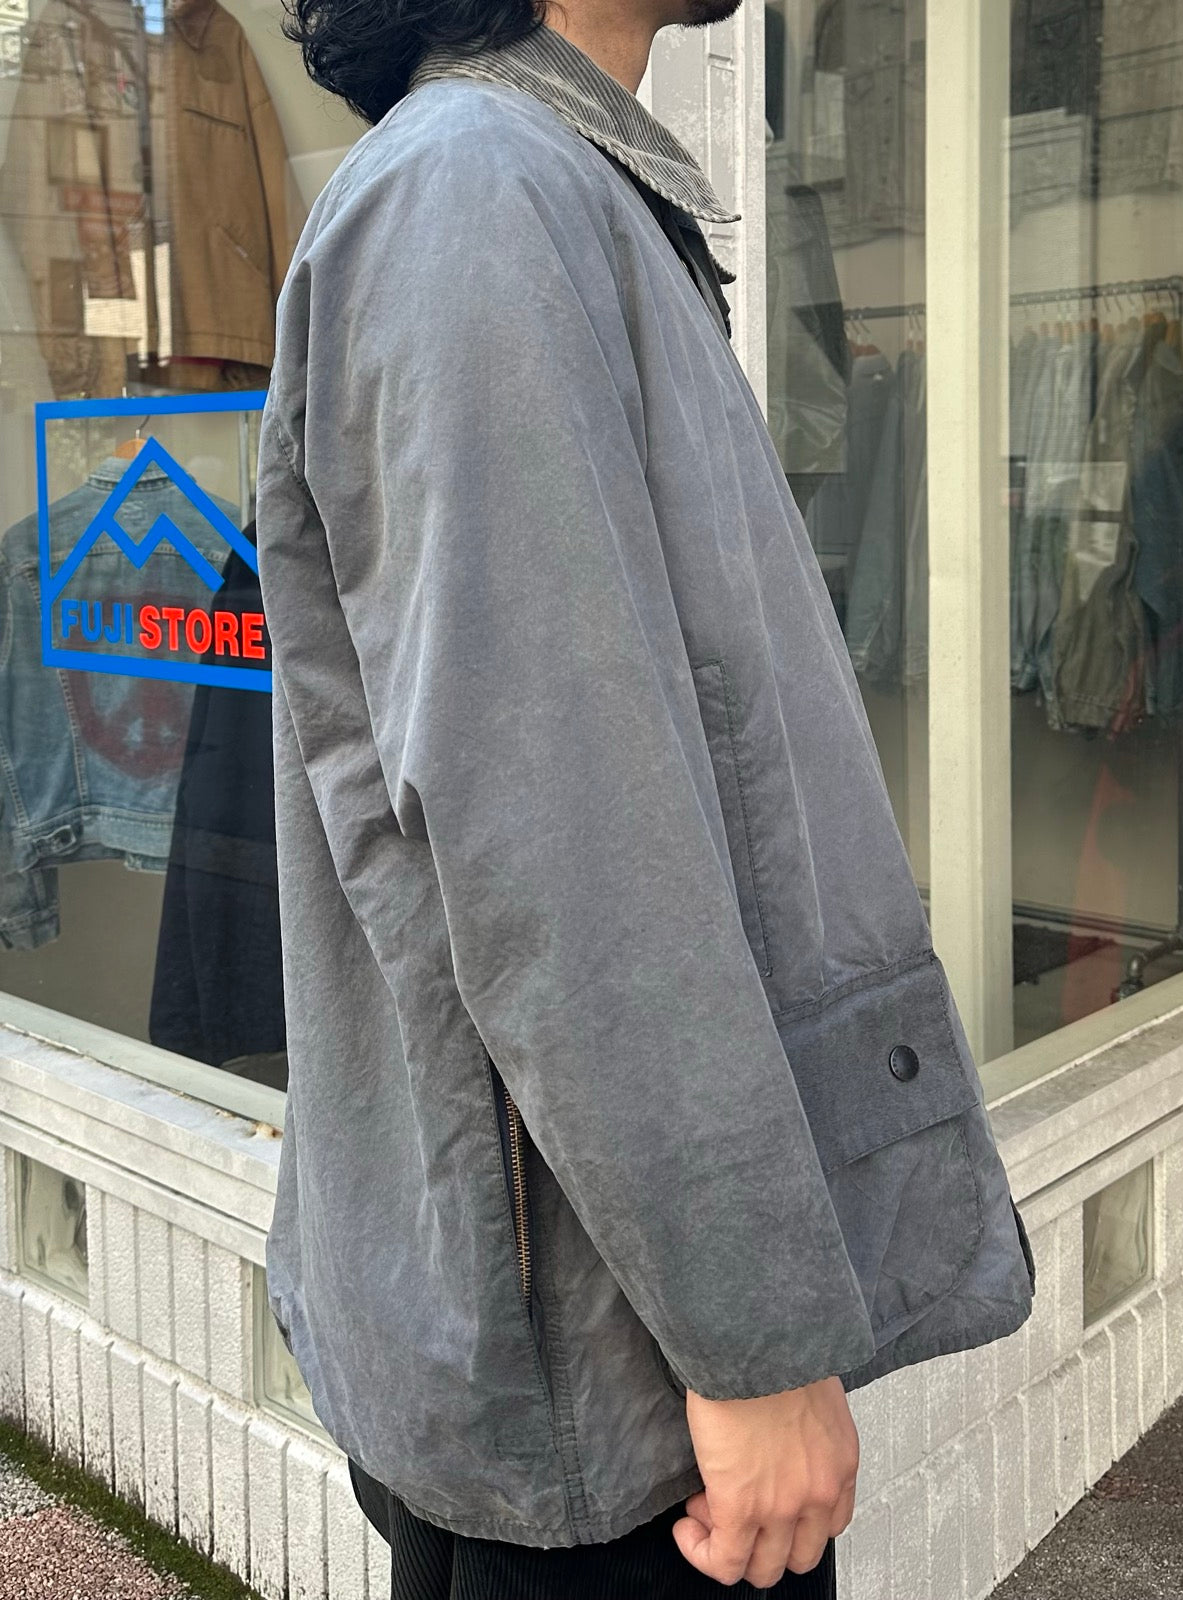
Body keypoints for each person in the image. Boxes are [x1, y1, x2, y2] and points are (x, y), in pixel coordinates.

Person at [255, 3, 1039, 1596]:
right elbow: (559, 847)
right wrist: (752, 1342)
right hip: (613, 1401)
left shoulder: (541, 189)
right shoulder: (476, 194)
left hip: (614, 1361)